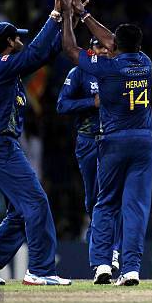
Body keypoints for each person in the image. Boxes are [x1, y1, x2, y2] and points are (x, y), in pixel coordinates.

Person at [0, 0, 71, 286]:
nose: (21, 41)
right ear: (10, 43)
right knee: (36, 203)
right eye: (17, 38)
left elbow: (45, 54)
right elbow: (36, 52)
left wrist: (65, 19)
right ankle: (39, 270)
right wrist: (52, 14)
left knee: (21, 212)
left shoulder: (6, 68)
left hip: (1, 144)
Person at [59, 0, 152, 286]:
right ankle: (132, 269)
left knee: (105, 203)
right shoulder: (147, 63)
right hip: (144, 142)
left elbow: (71, 50)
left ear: (115, 47)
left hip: (113, 141)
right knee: (135, 207)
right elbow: (113, 40)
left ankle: (101, 264)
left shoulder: (109, 69)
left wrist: (68, 16)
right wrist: (84, 14)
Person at [56, 37, 122, 272]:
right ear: (90, 50)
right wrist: (91, 102)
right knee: (94, 198)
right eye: (98, 47)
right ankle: (101, 253)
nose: (104, 50)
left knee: (115, 195)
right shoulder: (79, 72)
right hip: (87, 140)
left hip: (113, 140)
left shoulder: (117, 69)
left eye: (107, 47)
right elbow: (61, 105)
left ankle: (112, 252)